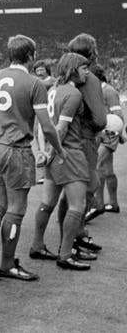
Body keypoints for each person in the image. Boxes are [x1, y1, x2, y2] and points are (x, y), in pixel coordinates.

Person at [0, 34, 65, 281]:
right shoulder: (34, 83)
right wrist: (59, 151)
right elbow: (47, 127)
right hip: (16, 149)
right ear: (31, 56)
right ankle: (7, 263)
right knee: (16, 208)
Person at [29, 53, 93, 270]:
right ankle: (65, 254)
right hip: (69, 153)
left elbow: (42, 124)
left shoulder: (53, 90)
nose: (87, 71)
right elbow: (61, 129)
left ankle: (37, 246)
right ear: (74, 69)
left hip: (53, 155)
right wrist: (54, 151)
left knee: (47, 203)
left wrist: (45, 152)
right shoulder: (73, 93)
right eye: (84, 68)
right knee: (77, 205)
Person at [59, 34, 106, 253]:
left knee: (72, 191)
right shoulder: (90, 78)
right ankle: (73, 239)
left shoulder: (64, 78)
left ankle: (75, 234)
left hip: (71, 138)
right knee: (87, 187)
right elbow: (99, 119)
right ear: (92, 51)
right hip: (85, 139)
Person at [87, 64, 123, 217]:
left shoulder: (108, 91)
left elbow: (118, 114)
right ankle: (113, 204)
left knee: (96, 165)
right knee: (107, 170)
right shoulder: (96, 91)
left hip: (110, 131)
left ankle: (98, 204)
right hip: (101, 132)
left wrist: (119, 134)